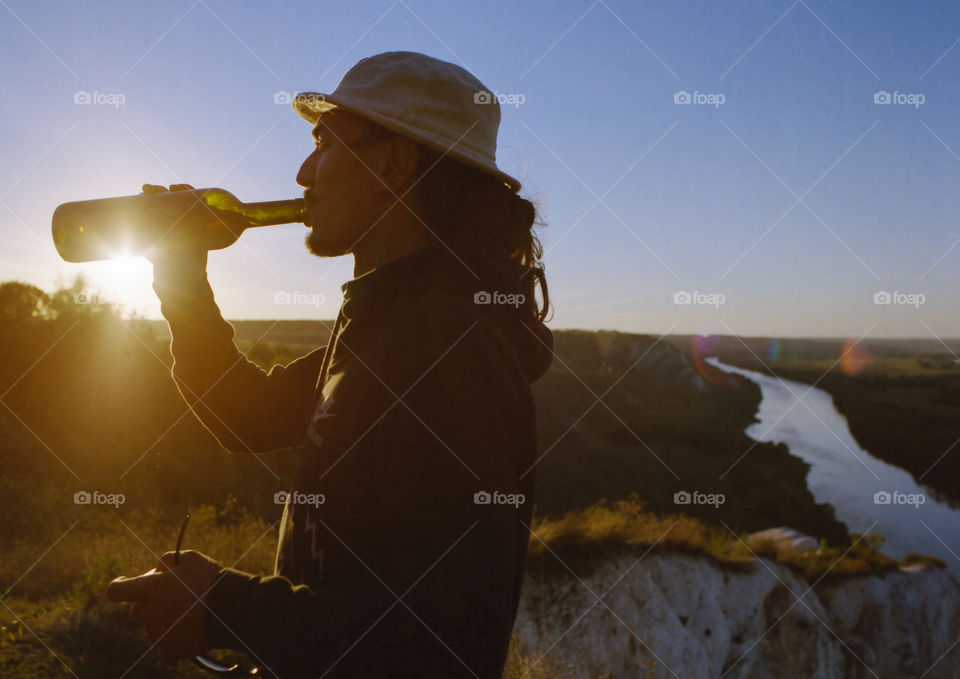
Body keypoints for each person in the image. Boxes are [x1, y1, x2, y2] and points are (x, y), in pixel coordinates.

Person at [106, 50, 553, 678]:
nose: (302, 172)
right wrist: (181, 277)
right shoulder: (384, 326)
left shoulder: (450, 351)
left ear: (392, 165)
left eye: (324, 144)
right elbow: (243, 417)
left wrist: (224, 606)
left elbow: (435, 639)